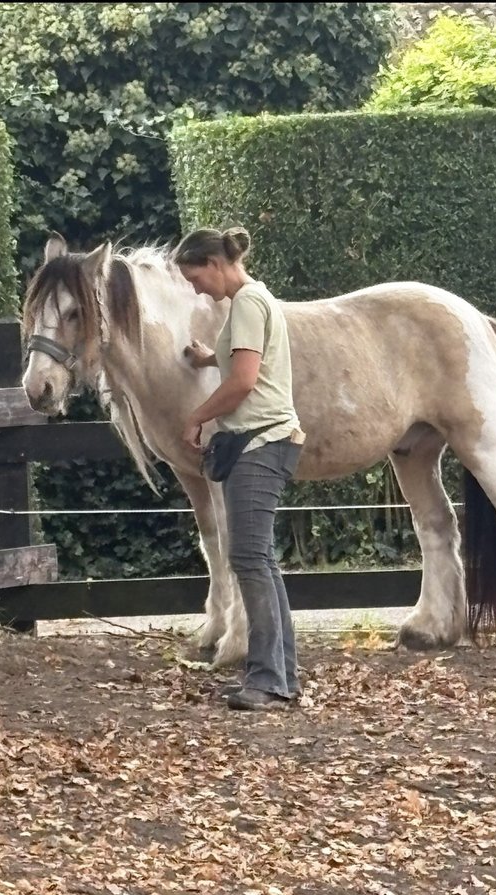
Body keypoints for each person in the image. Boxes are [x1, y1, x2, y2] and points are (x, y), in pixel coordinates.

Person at [172, 226, 305, 712]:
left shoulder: (247, 303)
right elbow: (249, 363)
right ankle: (281, 675)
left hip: (259, 443)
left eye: (195, 278)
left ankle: (268, 679)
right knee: (260, 559)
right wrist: (211, 358)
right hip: (268, 441)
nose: (196, 289)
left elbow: (246, 381)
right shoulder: (254, 299)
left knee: (249, 558)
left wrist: (197, 415)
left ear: (214, 263)